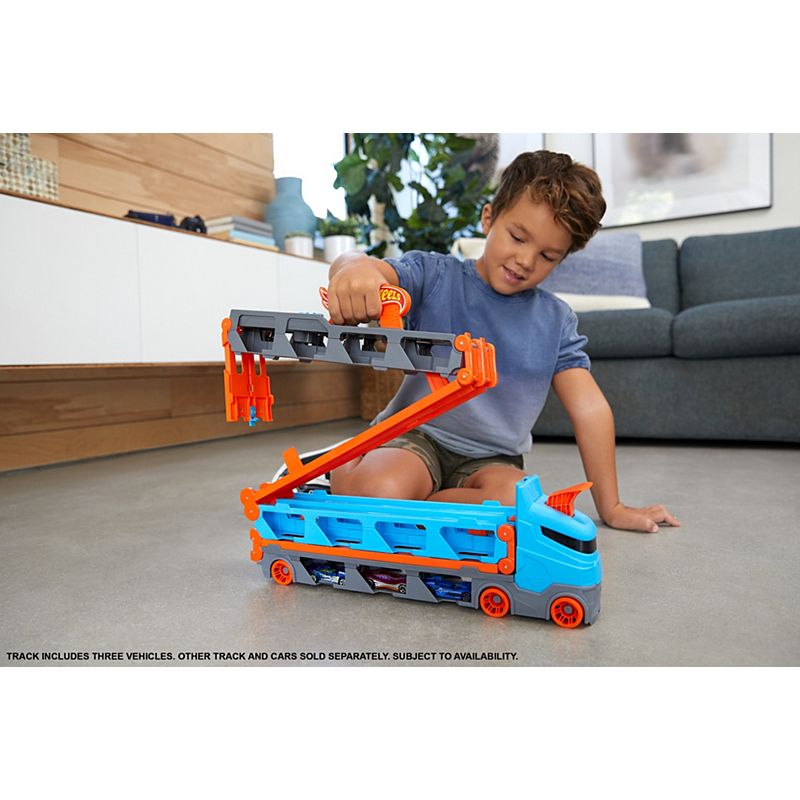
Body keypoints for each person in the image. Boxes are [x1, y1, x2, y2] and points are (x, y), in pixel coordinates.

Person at [324, 151, 679, 534]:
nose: (525, 260)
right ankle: (386, 486)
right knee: (380, 488)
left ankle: (412, 504)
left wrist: (612, 507)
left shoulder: (556, 321)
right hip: (415, 437)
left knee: (516, 504)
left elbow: (590, 408)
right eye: (517, 237)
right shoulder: (436, 274)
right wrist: (353, 266)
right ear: (489, 218)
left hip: (492, 462)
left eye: (547, 256)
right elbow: (367, 266)